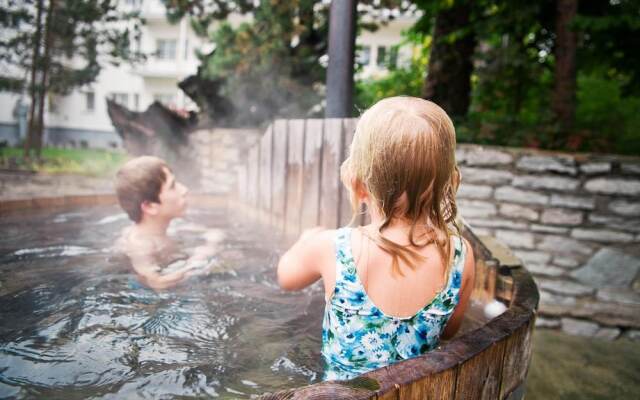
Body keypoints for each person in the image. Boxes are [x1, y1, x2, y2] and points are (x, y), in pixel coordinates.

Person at [277, 96, 476, 380]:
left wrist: (304, 241)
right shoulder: (460, 256)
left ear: (359, 185)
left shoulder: (333, 247)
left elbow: (286, 278)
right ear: (449, 184)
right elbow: (450, 331)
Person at [114, 156, 221, 290]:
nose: (184, 189)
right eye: (173, 186)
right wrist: (201, 256)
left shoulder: (167, 229)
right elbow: (157, 283)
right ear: (150, 206)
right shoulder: (141, 246)